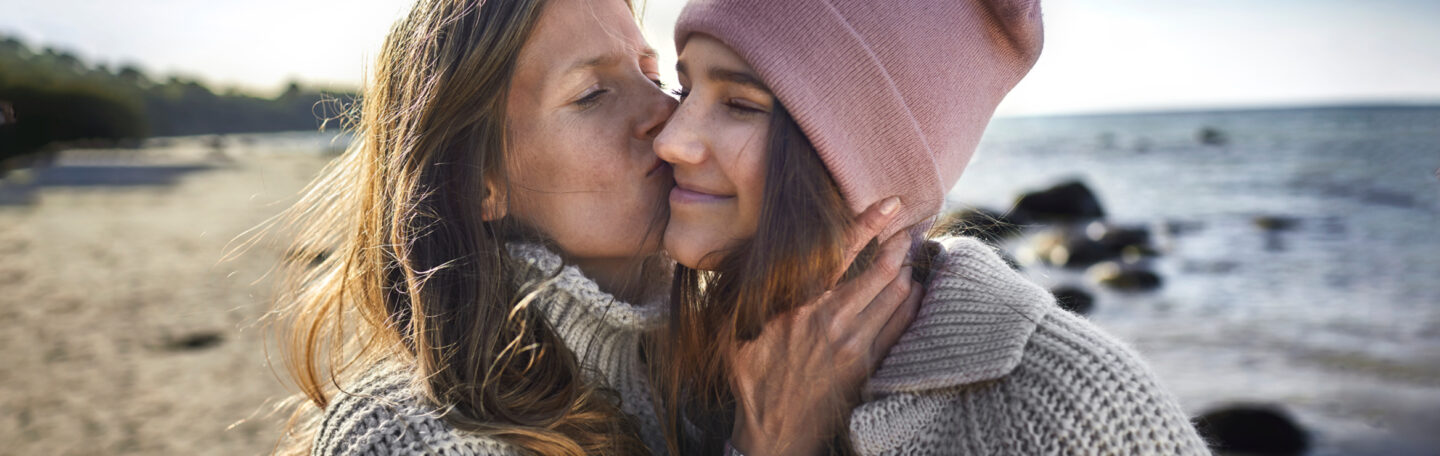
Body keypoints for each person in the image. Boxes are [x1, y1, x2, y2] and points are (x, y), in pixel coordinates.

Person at [256, 0, 915, 454]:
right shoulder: (404, 432)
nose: (668, 115)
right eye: (593, 95)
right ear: (475, 180)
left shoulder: (736, 367)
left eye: (655, 76)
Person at [653, 0, 1213, 454]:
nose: (670, 139)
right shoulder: (680, 361)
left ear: (870, 160)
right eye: (684, 91)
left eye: (741, 104)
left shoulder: (1076, 409)